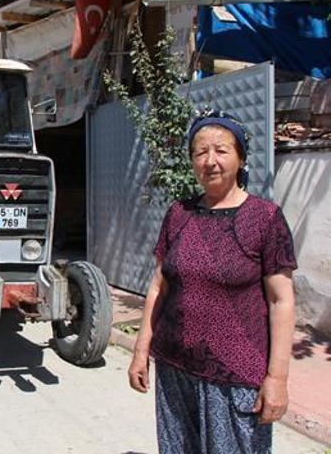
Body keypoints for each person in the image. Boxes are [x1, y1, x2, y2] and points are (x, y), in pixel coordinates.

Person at [127, 110, 297, 454]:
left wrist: (277, 379)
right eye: (200, 152)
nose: (210, 160)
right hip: (175, 367)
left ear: (241, 157)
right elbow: (159, 285)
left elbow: (282, 301)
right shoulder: (179, 213)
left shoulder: (264, 218)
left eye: (221, 150)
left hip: (236, 376)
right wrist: (141, 348)